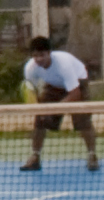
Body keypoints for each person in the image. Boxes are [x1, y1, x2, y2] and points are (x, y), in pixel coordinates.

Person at [17, 32, 99, 173]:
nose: (39, 59)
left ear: (49, 53)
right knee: (39, 121)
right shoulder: (30, 68)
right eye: (35, 56)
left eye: (42, 55)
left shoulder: (63, 64)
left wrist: (55, 110)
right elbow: (32, 91)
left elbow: (75, 94)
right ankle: (35, 157)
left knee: (83, 121)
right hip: (53, 85)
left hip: (78, 83)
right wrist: (40, 110)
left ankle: (92, 156)